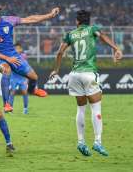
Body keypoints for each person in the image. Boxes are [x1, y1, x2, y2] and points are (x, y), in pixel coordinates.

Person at [49, 10, 123, 156]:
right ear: (88, 21)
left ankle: (81, 142)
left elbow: (59, 53)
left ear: (77, 21)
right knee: (96, 109)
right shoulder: (92, 29)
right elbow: (103, 37)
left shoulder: (70, 34)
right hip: (89, 73)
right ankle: (97, 142)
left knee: (81, 109)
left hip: (74, 75)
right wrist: (116, 48)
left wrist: (56, 70)